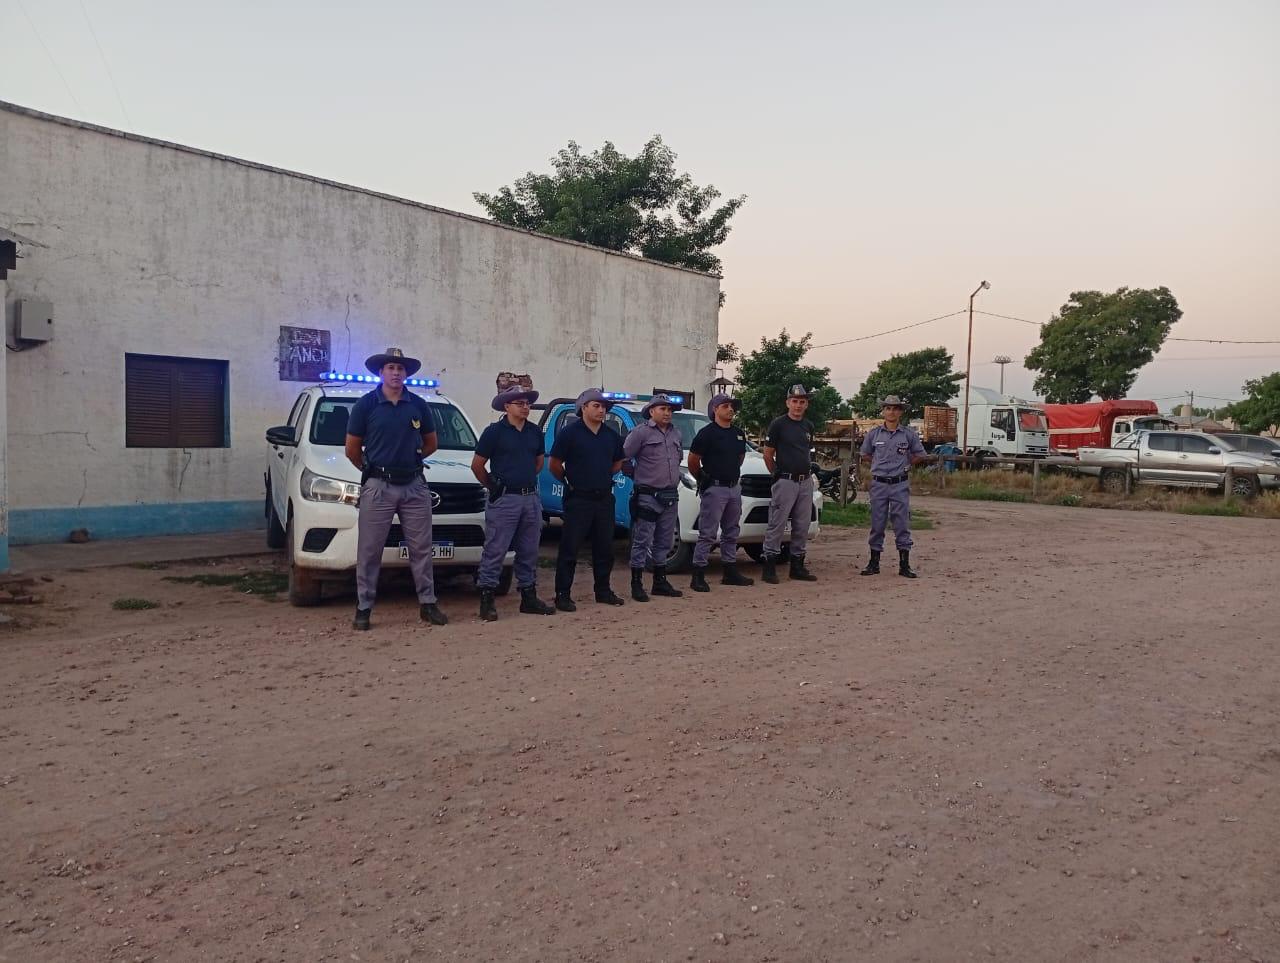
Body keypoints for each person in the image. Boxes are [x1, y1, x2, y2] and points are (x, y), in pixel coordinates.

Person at [344, 347, 448, 630]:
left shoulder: (418, 405)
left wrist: (411, 459)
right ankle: (364, 607)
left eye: (400, 368)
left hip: (414, 486)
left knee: (421, 549)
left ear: (406, 374)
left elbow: (431, 442)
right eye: (390, 367)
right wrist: (371, 470)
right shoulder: (366, 405)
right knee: (369, 550)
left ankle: (428, 603)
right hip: (379, 486)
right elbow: (352, 449)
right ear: (381, 372)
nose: (396, 373)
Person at [471, 385, 555, 621]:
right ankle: (487, 598)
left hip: (530, 498)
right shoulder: (494, 432)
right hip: (505, 499)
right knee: (496, 549)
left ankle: (528, 597)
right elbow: (477, 465)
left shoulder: (534, 432)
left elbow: (538, 463)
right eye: (520, 403)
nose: (525, 407)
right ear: (507, 406)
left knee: (529, 550)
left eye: (527, 403)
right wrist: (494, 487)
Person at [549, 388, 627, 611]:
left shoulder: (611, 435)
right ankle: (563, 594)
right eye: (596, 406)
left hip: (603, 499)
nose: (601, 410)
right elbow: (555, 464)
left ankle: (603, 591)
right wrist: (571, 480)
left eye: (604, 407)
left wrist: (601, 476)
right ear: (583, 408)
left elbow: (618, 462)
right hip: (578, 499)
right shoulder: (569, 433)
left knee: (605, 548)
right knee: (570, 548)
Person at [687, 394, 754, 591]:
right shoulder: (706, 434)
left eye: (732, 406)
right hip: (715, 488)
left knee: (731, 531)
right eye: (725, 406)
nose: (730, 409)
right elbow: (693, 460)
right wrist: (703, 478)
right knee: (707, 533)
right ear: (715, 409)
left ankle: (729, 571)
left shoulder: (738, 433)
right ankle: (698, 574)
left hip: (733, 487)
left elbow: (740, 458)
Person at [622, 393, 685, 602]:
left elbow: (677, 460)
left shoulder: (676, 433)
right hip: (648, 496)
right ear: (651, 411)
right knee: (642, 540)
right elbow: (624, 457)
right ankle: (636, 583)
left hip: (670, 495)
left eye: (669, 410)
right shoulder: (640, 433)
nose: (667, 413)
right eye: (662, 409)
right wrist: (636, 476)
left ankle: (660, 582)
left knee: (665, 541)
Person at [859, 394, 928, 578]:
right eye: (888, 408)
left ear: (900, 412)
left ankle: (904, 565)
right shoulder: (874, 434)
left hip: (899, 484)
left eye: (895, 408)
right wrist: (878, 464)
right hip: (879, 484)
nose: (891, 412)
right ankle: (874, 563)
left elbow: (920, 454)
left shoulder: (908, 434)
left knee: (901, 523)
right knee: (877, 523)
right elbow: (865, 454)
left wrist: (906, 464)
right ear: (883, 411)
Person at [760, 384, 818, 583]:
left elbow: (807, 451)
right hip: (785, 480)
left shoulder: (808, 426)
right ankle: (769, 565)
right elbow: (768, 454)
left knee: (802, 524)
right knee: (777, 523)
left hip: (805, 481)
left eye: (802, 402)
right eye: (794, 401)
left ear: (806, 404)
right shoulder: (778, 424)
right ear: (787, 403)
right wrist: (776, 474)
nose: (798, 405)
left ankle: (797, 565)